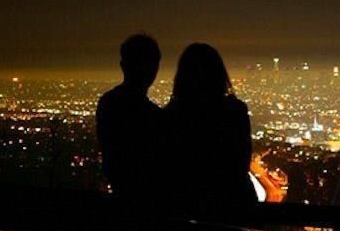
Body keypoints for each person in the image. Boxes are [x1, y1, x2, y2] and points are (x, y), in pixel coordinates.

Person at [163, 43, 257, 220]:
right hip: (234, 204)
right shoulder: (234, 111)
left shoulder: (173, 114)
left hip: (186, 205)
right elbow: (242, 160)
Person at [96, 34, 161, 210]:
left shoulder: (108, 103)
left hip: (119, 198)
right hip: (147, 203)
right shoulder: (152, 115)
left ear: (123, 65)